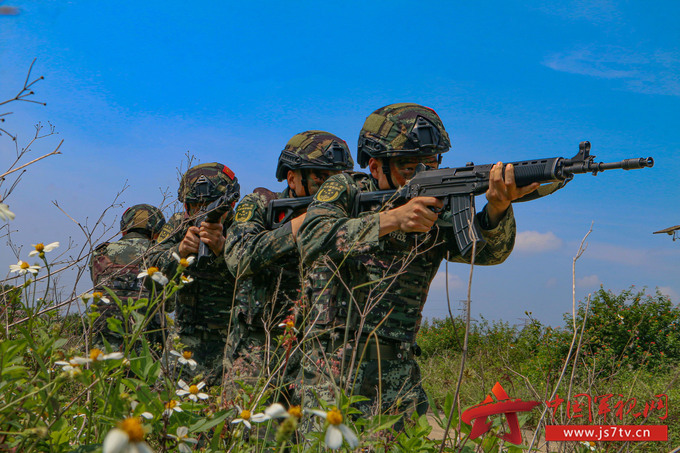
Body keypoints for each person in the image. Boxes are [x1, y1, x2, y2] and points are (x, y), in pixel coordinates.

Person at [293, 103, 539, 423]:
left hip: (397, 377)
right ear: (375, 165)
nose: (422, 173)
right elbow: (312, 238)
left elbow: (489, 254)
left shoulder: (440, 209)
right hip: (330, 373)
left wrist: (497, 209)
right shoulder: (346, 189)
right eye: (409, 167)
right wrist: (392, 219)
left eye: (432, 162)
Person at [223, 131, 354, 401]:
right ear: (292, 177)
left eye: (339, 178)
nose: (331, 187)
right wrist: (301, 226)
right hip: (256, 349)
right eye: (321, 177)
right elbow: (238, 256)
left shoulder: (350, 206)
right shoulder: (262, 204)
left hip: (318, 350)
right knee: (249, 438)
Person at [150, 162, 240, 385]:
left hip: (233, 341)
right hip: (185, 338)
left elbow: (259, 274)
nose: (201, 213)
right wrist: (178, 251)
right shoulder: (178, 225)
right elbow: (150, 267)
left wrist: (223, 250)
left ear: (231, 203)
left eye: (209, 206)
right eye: (193, 206)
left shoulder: (244, 225)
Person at [89, 203, 166, 352]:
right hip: (147, 347)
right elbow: (168, 304)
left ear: (124, 229)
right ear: (157, 231)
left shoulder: (99, 253)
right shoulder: (160, 254)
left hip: (103, 345)